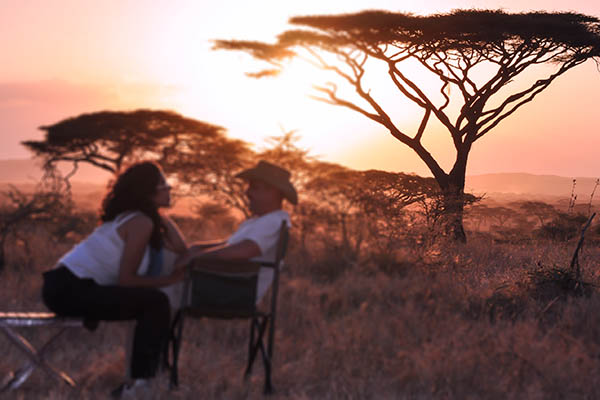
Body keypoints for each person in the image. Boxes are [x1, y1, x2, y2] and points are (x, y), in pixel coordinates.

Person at [41, 161, 187, 396]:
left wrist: (161, 215)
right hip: (68, 288)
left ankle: (141, 380)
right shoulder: (140, 222)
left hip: (63, 286)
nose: (170, 189)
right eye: (163, 185)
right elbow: (127, 280)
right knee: (156, 302)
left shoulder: (138, 218)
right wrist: (168, 280)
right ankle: (140, 384)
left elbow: (181, 248)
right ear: (147, 190)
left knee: (153, 302)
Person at [178, 160, 296, 302]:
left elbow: (243, 251)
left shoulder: (273, 221)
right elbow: (229, 245)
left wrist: (196, 258)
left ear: (272, 192)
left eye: (254, 188)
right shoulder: (259, 221)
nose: (248, 192)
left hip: (231, 290)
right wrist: (198, 248)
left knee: (157, 292)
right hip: (225, 284)